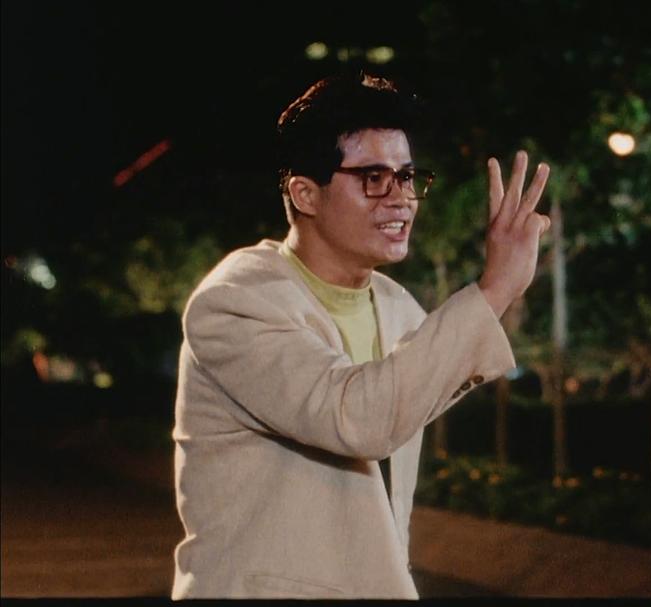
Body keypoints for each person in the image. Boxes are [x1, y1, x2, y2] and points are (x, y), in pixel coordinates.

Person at [171, 72, 551, 598]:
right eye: (373, 178)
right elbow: (358, 419)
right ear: (305, 193)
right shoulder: (236, 303)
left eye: (407, 176)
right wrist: (495, 290)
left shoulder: (398, 308)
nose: (401, 199)